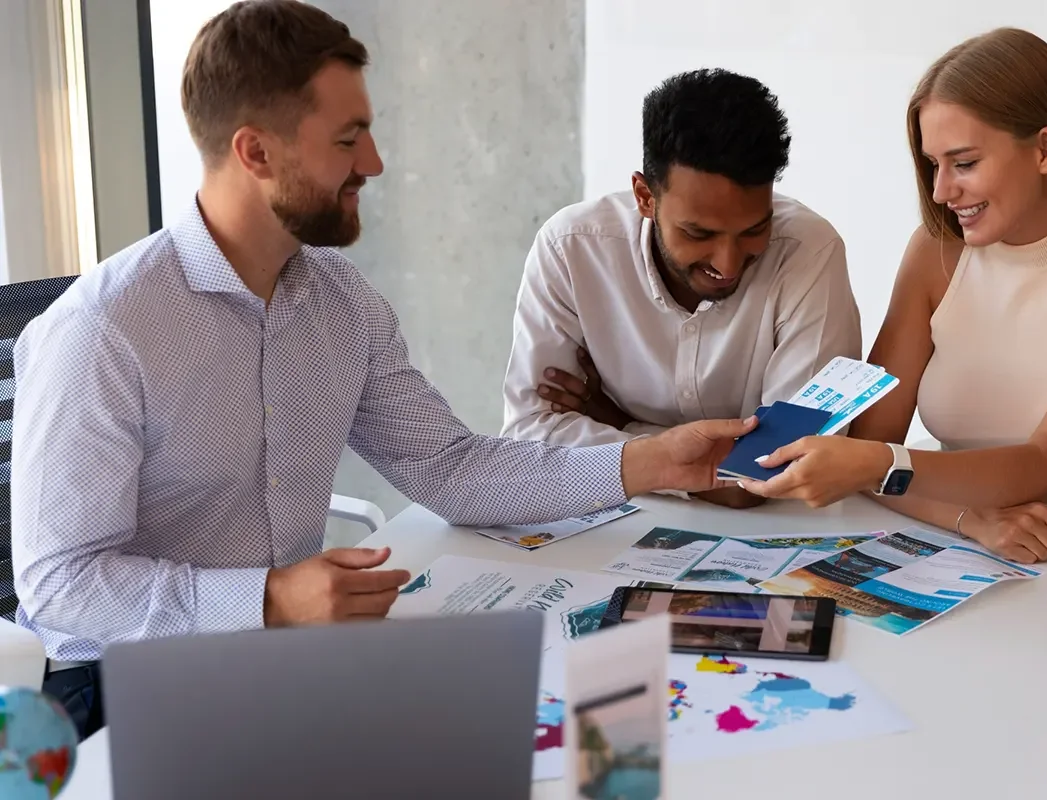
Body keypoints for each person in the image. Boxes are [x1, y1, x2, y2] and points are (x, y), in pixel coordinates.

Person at [10, 0, 755, 738]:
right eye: (349, 139)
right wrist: (269, 600)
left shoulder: (342, 303)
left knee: (601, 731)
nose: (374, 163)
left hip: (287, 664)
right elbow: (61, 587)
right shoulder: (102, 332)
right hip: (129, 691)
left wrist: (647, 462)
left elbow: (453, 469)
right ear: (256, 153)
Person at [739, 27, 1047, 702]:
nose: (943, 189)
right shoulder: (935, 252)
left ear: (1045, 148)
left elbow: (1042, 463)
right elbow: (872, 443)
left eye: (964, 162)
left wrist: (879, 469)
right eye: (932, 165)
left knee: (989, 719)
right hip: (942, 543)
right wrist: (965, 517)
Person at [499, 68, 862, 510]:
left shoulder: (809, 252)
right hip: (609, 521)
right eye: (699, 233)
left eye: (754, 229)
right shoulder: (571, 249)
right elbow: (531, 435)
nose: (727, 264)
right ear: (644, 196)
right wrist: (689, 465)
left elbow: (784, 465)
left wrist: (618, 426)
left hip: (760, 535)